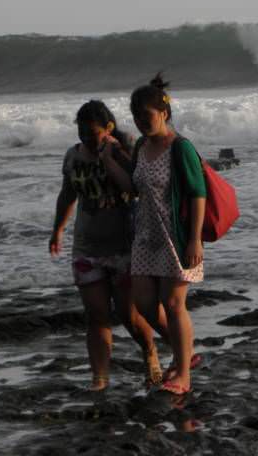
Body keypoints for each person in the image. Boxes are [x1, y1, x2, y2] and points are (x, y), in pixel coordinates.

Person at [49, 100, 166, 391]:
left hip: (124, 246)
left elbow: (137, 185)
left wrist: (111, 156)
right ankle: (99, 379)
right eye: (82, 133)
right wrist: (58, 230)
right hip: (87, 247)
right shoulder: (72, 157)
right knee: (96, 315)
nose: (87, 139)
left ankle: (150, 351)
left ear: (108, 128)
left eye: (93, 133)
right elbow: (67, 195)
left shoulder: (125, 145)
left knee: (129, 315)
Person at [103, 73, 206, 395]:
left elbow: (197, 192)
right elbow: (134, 189)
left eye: (145, 116)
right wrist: (108, 160)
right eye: (135, 118)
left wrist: (194, 239)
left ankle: (183, 376)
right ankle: (184, 355)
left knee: (174, 305)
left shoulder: (181, 148)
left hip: (176, 237)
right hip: (146, 237)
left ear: (163, 113)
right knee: (146, 305)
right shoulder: (143, 147)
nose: (141, 123)